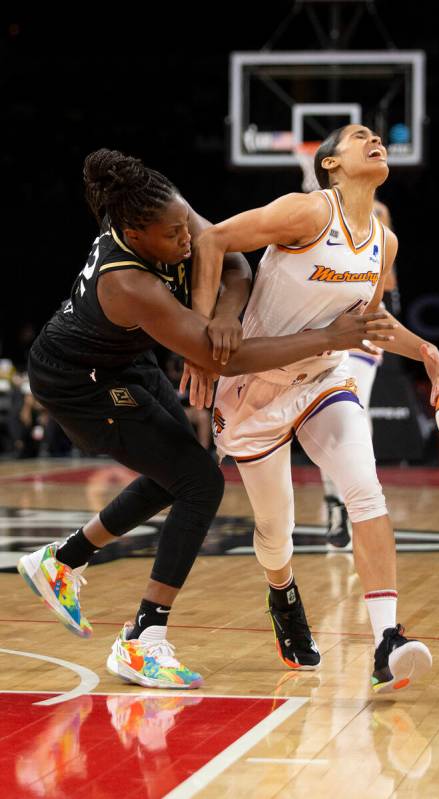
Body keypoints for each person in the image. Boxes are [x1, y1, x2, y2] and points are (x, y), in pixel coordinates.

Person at [17, 147, 393, 690]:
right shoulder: (128, 283)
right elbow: (231, 360)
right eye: (172, 238)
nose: (186, 241)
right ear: (134, 233)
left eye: (183, 226)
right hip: (79, 385)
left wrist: (214, 317)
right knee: (200, 483)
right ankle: (142, 639)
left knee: (182, 473)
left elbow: (233, 261)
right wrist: (326, 339)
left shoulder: (166, 211)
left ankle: (63, 561)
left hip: (126, 362)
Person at [193, 124, 439, 692]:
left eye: (379, 136)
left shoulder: (387, 241)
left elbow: (368, 323)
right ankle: (282, 593)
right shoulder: (306, 212)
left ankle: (388, 640)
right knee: (275, 532)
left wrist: (424, 349)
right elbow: (212, 241)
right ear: (331, 164)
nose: (376, 140)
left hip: (324, 378)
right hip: (253, 385)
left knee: (366, 486)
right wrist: (205, 335)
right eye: (361, 136)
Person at [321, 197, 397, 548]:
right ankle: (334, 499)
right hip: (327, 317)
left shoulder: (379, 214)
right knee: (331, 412)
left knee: (355, 410)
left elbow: (389, 279)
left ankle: (357, 500)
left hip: (365, 316)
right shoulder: (314, 211)